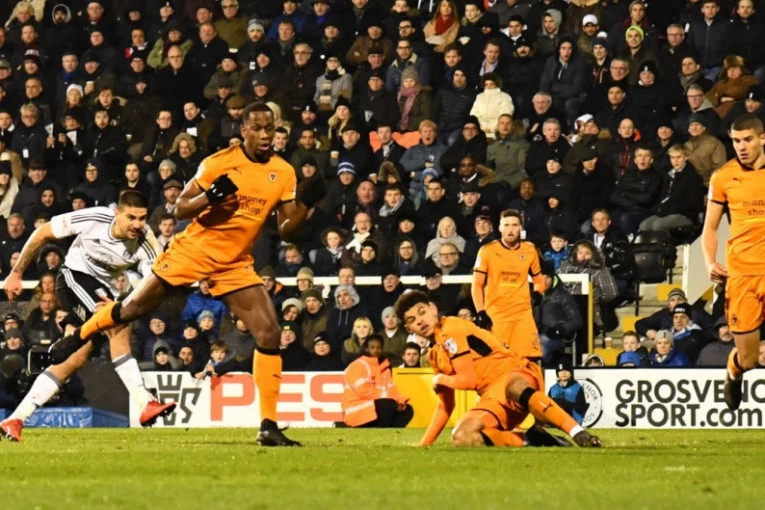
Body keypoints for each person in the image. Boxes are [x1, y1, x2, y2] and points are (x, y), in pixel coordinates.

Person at [50, 103, 327, 447]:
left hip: (234, 262)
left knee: (270, 333)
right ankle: (81, 334)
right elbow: (180, 207)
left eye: (270, 128)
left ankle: (268, 426)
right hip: (193, 251)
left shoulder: (283, 172)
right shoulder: (220, 162)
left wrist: (306, 205)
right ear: (244, 130)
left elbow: (286, 231)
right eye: (258, 128)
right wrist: (211, 197)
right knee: (133, 308)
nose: (265, 134)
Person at [0, 191, 174, 442]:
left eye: (142, 218)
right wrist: (16, 273)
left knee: (76, 356)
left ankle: (16, 418)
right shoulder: (96, 218)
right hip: (72, 277)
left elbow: (153, 286)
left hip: (105, 292)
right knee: (118, 326)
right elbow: (43, 233)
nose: (137, 224)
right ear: (116, 213)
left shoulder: (147, 243)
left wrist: (123, 303)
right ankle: (144, 402)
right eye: (131, 217)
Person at [395, 290, 601, 447]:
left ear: (432, 309)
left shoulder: (451, 328)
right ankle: (531, 440)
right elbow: (446, 406)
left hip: (514, 372)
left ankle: (578, 433)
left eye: (422, 312)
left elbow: (467, 380)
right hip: (490, 397)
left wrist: (440, 380)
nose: (420, 321)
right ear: (408, 329)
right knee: (462, 437)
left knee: (515, 387)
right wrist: (425, 443)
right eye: (412, 320)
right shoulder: (434, 355)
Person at [703, 113, 765, 409]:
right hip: (742, 276)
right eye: (736, 141)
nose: (741, 146)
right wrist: (709, 262)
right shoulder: (724, 177)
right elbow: (710, 228)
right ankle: (734, 369)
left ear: (762, 138)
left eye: (747, 140)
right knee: (749, 359)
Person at [471, 209, 545, 360]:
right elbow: (477, 284)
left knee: (529, 361)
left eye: (514, 225)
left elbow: (539, 279)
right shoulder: (487, 251)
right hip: (497, 317)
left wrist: (538, 293)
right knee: (500, 361)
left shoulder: (530, 251)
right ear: (499, 228)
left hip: (522, 316)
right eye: (506, 225)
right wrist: (481, 312)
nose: (510, 230)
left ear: (520, 228)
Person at [340, 335, 413, 428]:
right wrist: (390, 399)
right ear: (366, 349)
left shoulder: (384, 368)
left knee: (407, 410)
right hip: (357, 408)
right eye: (372, 347)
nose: (376, 350)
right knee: (388, 404)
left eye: (379, 348)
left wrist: (400, 402)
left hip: (375, 406)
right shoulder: (357, 365)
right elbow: (363, 392)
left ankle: (392, 433)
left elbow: (392, 389)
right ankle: (382, 430)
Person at [547, 360, 588, 425]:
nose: (563, 373)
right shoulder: (552, 389)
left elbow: (580, 410)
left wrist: (566, 405)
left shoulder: (577, 388)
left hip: (571, 423)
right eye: (560, 371)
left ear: (571, 372)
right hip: (554, 424)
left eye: (566, 370)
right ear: (557, 374)